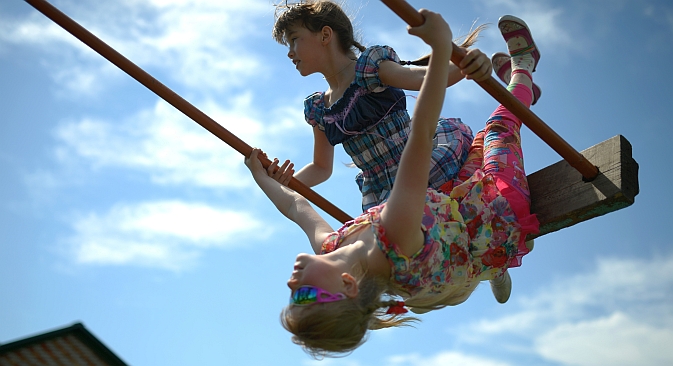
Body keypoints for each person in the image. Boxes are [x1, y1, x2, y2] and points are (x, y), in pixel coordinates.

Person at [246, 11, 540, 358]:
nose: (291, 284)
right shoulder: (394, 237)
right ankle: (523, 69)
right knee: (497, 129)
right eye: (305, 295)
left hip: (433, 193)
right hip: (479, 213)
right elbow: (420, 134)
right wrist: (442, 43)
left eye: (292, 295)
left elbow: (296, 206)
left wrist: (260, 175)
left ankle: (492, 266)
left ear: (326, 35)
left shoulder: (333, 247)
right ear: (347, 284)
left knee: (464, 208)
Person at [269, 0, 492, 212]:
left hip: (420, 162)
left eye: (295, 39)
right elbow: (321, 167)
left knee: (466, 206)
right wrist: (286, 182)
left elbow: (425, 78)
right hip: (384, 192)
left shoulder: (370, 70)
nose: (290, 52)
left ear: (325, 35)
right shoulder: (320, 110)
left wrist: (467, 64)